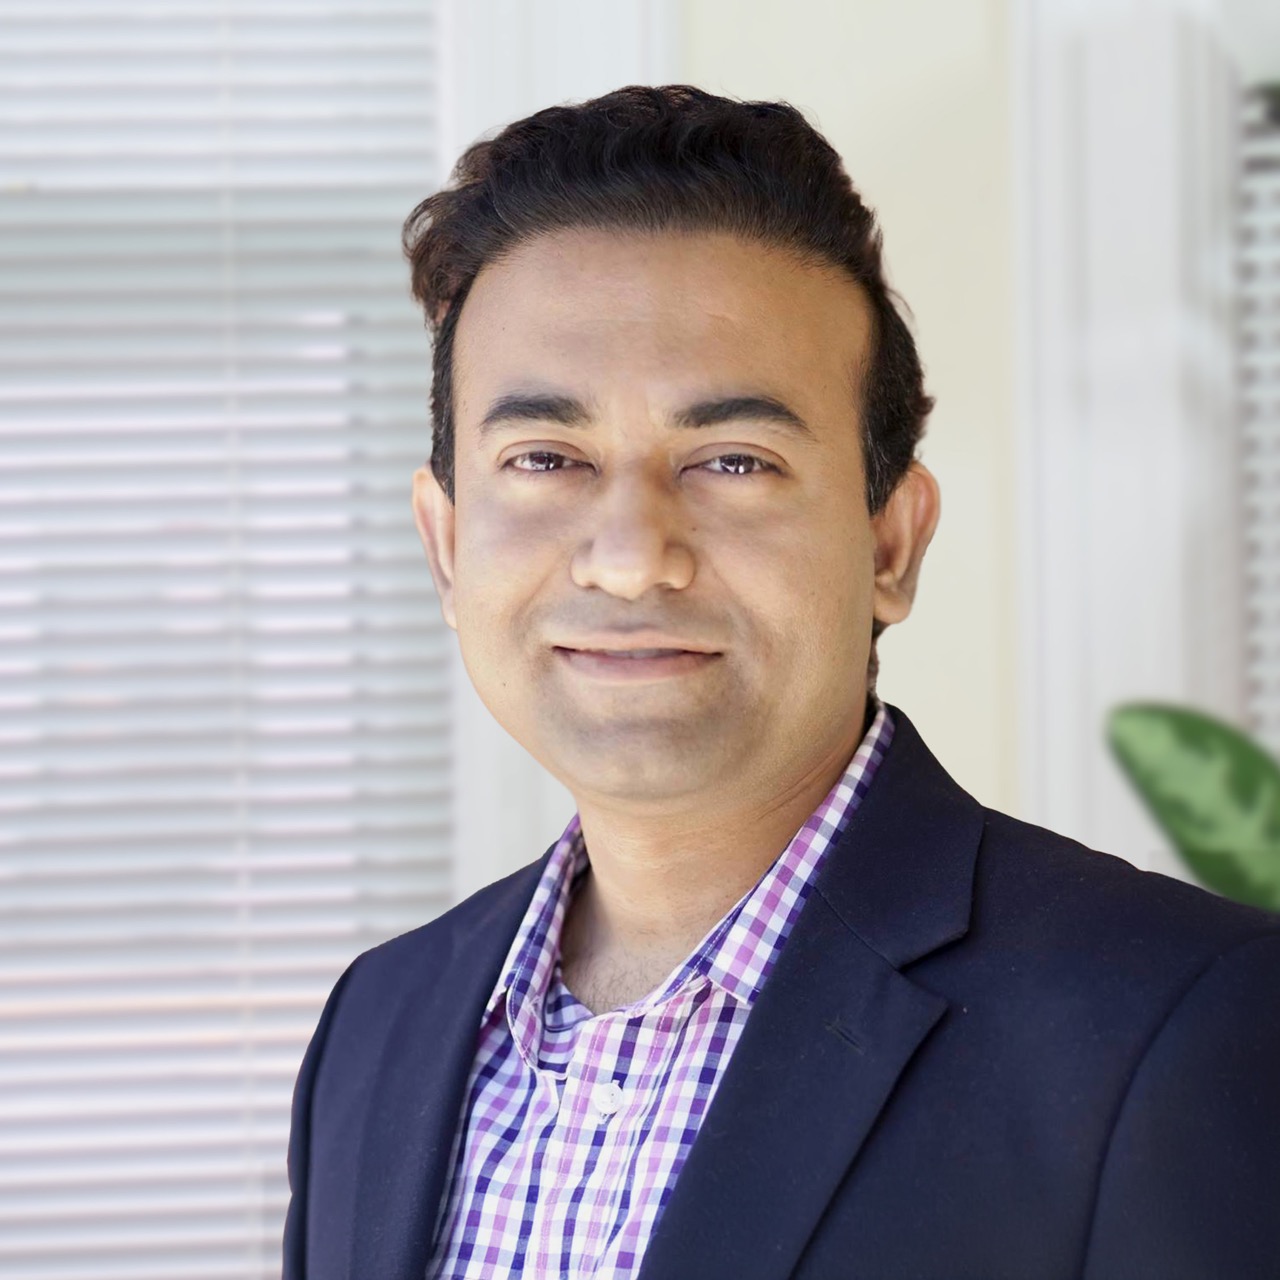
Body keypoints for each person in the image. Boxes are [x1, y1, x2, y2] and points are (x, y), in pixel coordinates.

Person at [282, 85, 1280, 1280]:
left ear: (891, 546)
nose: (629, 552)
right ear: (446, 545)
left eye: (732, 460)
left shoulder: (1175, 1022)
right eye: (545, 458)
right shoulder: (377, 1023)